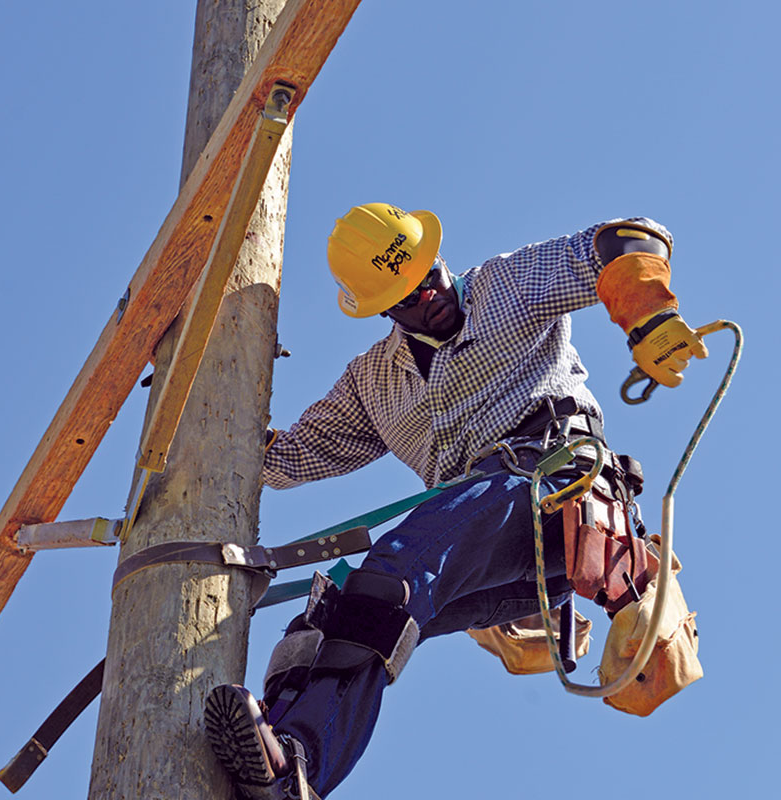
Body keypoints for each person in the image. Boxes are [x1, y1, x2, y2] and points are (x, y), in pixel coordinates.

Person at [203, 203, 707, 800]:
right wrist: (199, 397)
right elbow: (281, 460)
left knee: (400, 562)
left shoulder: (507, 287)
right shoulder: (375, 383)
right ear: (383, 309)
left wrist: (648, 312)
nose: (429, 294)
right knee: (337, 614)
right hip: (490, 556)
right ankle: (293, 766)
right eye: (408, 295)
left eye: (429, 275)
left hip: (553, 485)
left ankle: (294, 754)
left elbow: (626, 239)